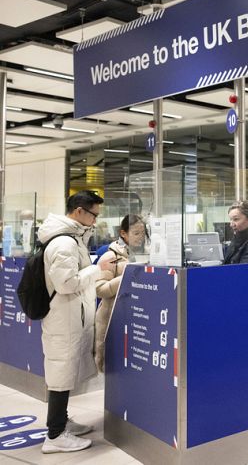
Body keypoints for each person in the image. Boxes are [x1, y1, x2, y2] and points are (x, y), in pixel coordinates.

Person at [38, 191, 116, 454]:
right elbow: (66, 283)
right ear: (80, 211)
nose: (95, 221)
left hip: (70, 317)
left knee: (66, 370)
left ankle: (61, 423)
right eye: (93, 214)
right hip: (63, 319)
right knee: (61, 373)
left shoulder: (72, 239)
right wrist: (98, 268)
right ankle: (55, 435)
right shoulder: (64, 244)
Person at [94, 214, 147, 372]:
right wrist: (125, 278)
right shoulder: (111, 256)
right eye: (136, 233)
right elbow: (100, 289)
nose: (140, 237)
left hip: (132, 318)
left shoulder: (140, 254)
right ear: (123, 233)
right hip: (111, 319)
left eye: (143, 233)